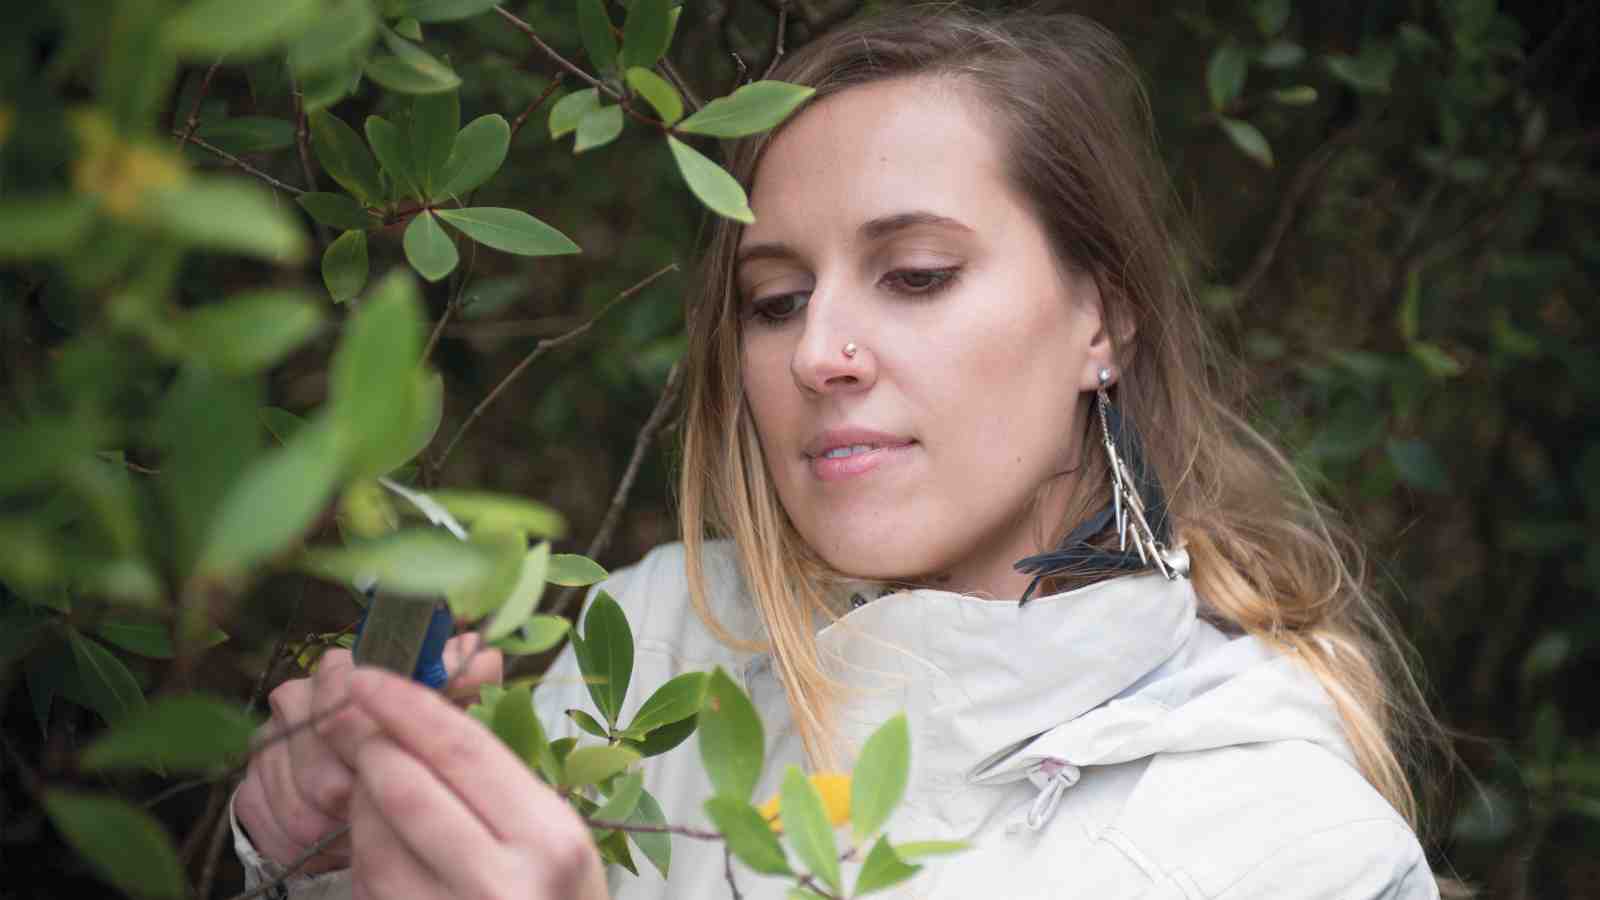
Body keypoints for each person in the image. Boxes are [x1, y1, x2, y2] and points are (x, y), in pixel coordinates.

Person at [233, 6, 1453, 898]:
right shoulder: (645, 655)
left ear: (1104, 318)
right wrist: (320, 857)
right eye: (772, 300)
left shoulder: (1285, 849)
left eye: (915, 276)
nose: (820, 350)